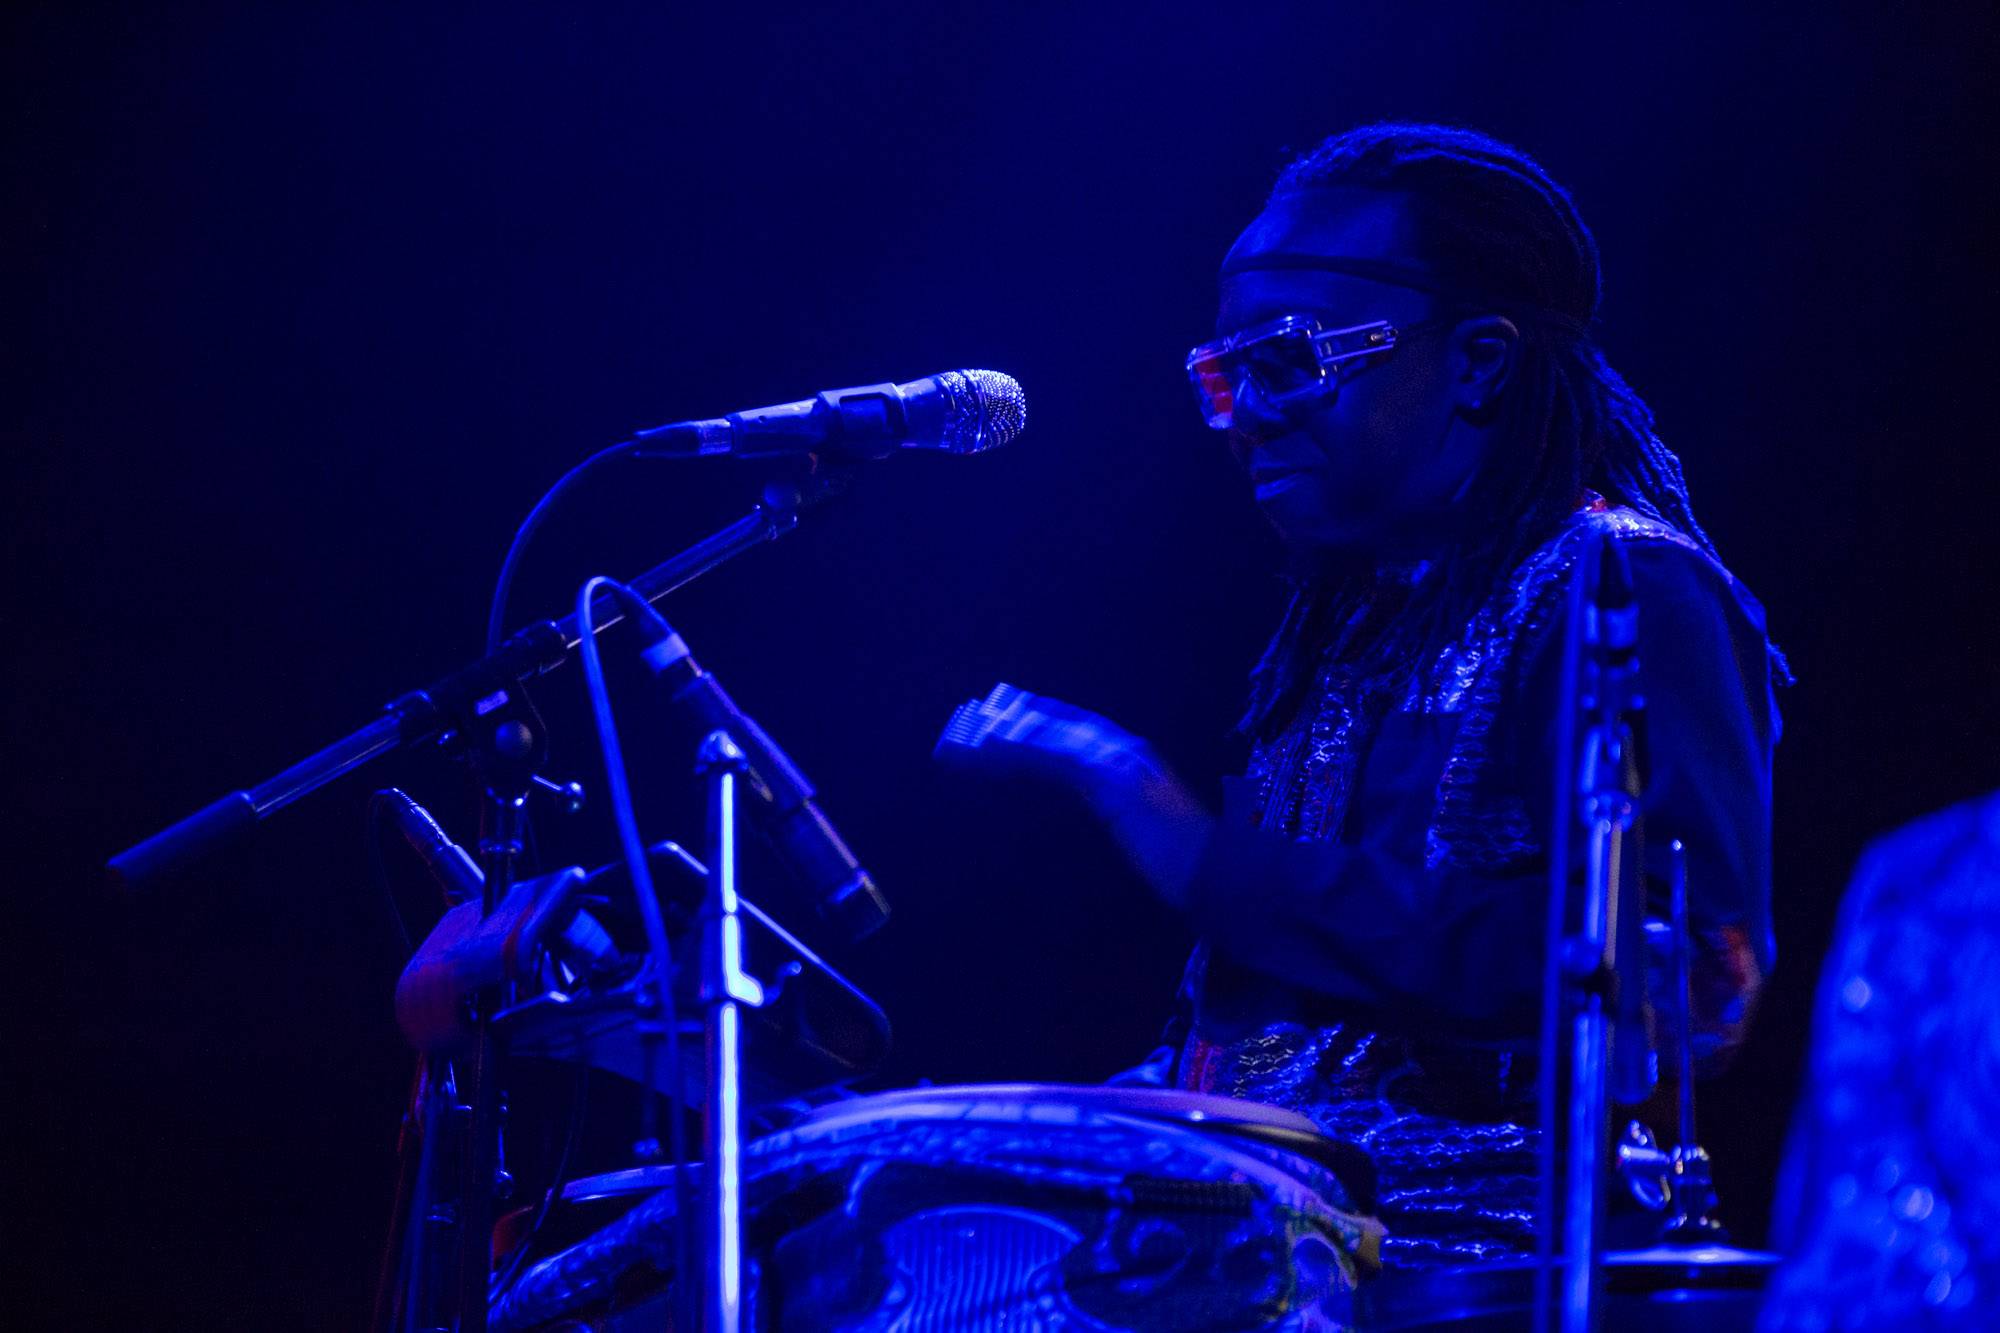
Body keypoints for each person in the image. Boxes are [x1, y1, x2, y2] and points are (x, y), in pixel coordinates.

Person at [939, 123, 1786, 1268]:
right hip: (1271, 1248)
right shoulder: (1343, 628)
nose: (1244, 415)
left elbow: (1685, 984)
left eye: (1287, 362)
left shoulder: (1621, 585)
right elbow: (1266, 1054)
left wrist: (1194, 851)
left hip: (1475, 1268)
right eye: (1222, 376)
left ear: (1478, 361)